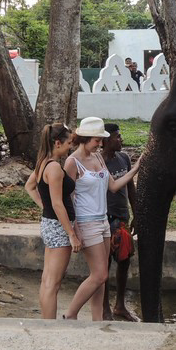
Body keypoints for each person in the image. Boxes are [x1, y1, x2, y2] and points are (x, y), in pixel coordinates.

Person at [62, 117, 141, 321]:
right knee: (100, 274)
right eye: (97, 140)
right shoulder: (72, 163)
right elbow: (67, 199)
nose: (100, 143)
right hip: (86, 222)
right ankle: (70, 315)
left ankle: (97, 320)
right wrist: (74, 230)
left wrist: (136, 168)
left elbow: (114, 186)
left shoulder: (97, 158)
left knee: (101, 278)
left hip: (103, 221)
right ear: (86, 138)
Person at [24, 123, 79, 319]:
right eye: (68, 143)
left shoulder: (43, 162)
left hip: (50, 224)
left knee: (47, 279)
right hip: (58, 227)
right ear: (57, 143)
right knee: (52, 283)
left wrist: (43, 207)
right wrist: (71, 234)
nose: (70, 147)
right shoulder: (54, 167)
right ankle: (49, 327)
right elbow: (57, 204)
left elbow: (29, 187)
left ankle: (46, 323)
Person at [101, 123, 139, 321]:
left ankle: (120, 305)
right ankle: (105, 307)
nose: (121, 140)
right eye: (117, 137)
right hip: (105, 218)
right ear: (106, 140)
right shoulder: (98, 162)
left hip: (122, 217)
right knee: (104, 263)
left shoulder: (123, 158)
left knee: (124, 260)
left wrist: (136, 213)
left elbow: (130, 187)